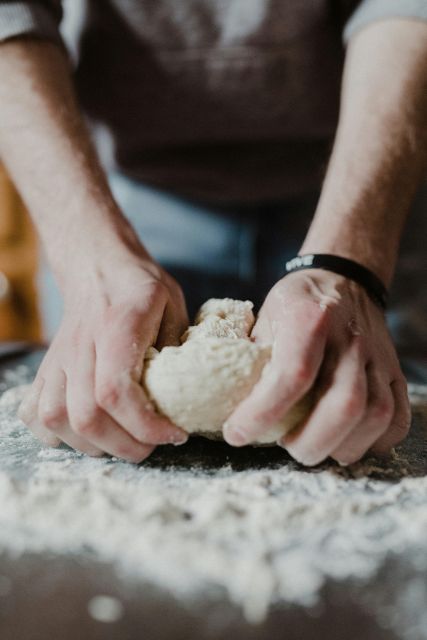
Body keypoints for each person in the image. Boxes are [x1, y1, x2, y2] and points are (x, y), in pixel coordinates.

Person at [0, 1, 426, 465]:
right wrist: (91, 261)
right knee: (102, 403)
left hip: (371, 181)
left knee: (361, 417)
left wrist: (350, 262)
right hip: (116, 197)